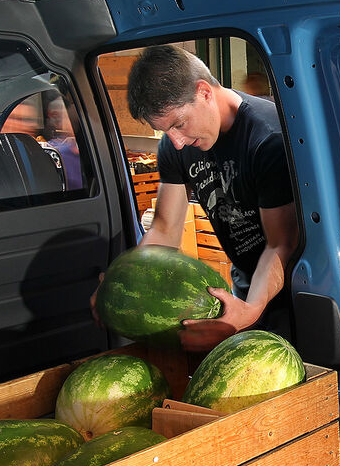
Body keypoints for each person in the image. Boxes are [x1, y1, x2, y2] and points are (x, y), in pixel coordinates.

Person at [99, 44, 298, 353]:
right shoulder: (176, 144)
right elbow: (165, 229)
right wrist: (120, 283)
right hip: (245, 280)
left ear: (204, 92)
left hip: (297, 290)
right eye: (164, 131)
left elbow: (281, 243)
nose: (176, 143)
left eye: (179, 124)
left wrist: (250, 311)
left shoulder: (267, 138)